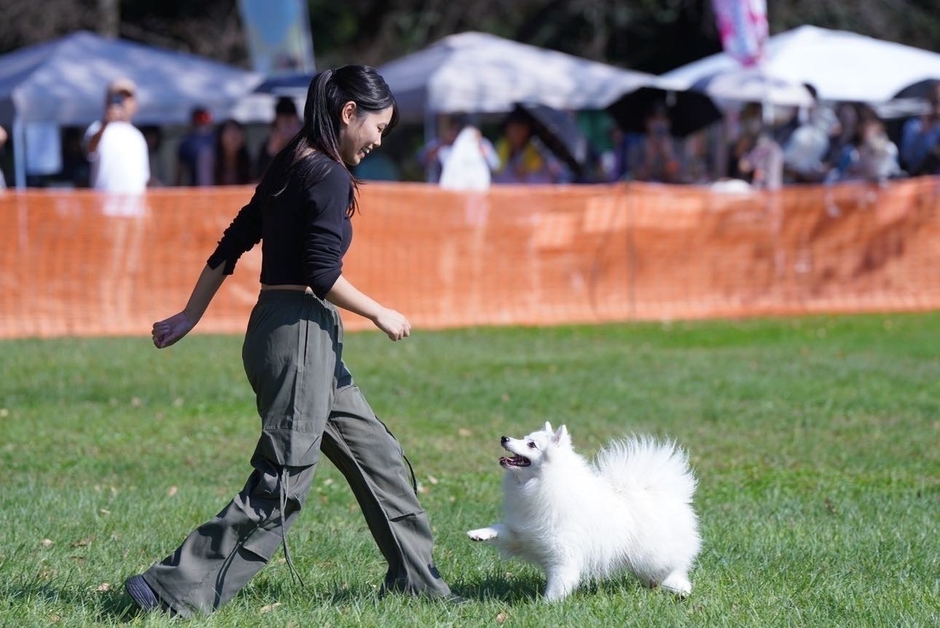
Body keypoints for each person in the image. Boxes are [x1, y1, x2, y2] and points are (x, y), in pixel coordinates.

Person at [123, 65, 459, 618]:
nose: (379, 140)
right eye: (378, 126)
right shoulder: (324, 173)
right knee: (284, 483)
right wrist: (380, 312)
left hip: (299, 333)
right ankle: (170, 589)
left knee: (380, 459)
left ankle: (420, 587)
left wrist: (191, 314)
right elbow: (320, 270)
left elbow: (232, 242)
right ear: (349, 113)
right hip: (298, 331)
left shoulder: (293, 158)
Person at [83, 77, 150, 193]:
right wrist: (105, 123)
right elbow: (90, 149)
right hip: (104, 206)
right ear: (108, 101)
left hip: (134, 207)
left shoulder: (137, 136)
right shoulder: (98, 128)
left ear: (134, 104)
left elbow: (143, 177)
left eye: (127, 97)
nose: (123, 102)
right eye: (118, 97)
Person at [493, 110, 564, 184]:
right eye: (513, 128)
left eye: (520, 128)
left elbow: (547, 181)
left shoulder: (539, 152)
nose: (516, 132)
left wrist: (527, 175)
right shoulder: (497, 150)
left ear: (528, 130)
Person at [628, 101, 683, 184]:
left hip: (670, 193)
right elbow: (636, 179)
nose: (659, 123)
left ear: (669, 122)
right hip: (643, 193)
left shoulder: (677, 145)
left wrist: (669, 155)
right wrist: (650, 158)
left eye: (663, 118)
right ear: (647, 122)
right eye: (655, 118)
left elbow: (678, 178)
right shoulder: (637, 146)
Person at [899, 82, 940, 176]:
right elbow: (907, 157)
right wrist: (923, 133)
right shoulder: (913, 126)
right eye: (936, 101)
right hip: (924, 182)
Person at [256, 96, 303, 178]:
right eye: (285, 123)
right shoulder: (267, 148)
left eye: (291, 123)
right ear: (276, 125)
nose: (288, 129)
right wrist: (272, 152)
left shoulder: (305, 144)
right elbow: (260, 178)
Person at [175, 106, 215, 186]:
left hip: (216, 186)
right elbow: (180, 169)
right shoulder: (186, 143)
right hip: (195, 187)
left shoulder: (217, 139)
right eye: (200, 119)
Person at [212, 118, 253, 185]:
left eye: (237, 133)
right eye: (229, 134)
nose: (233, 137)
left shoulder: (247, 158)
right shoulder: (209, 157)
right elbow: (205, 189)